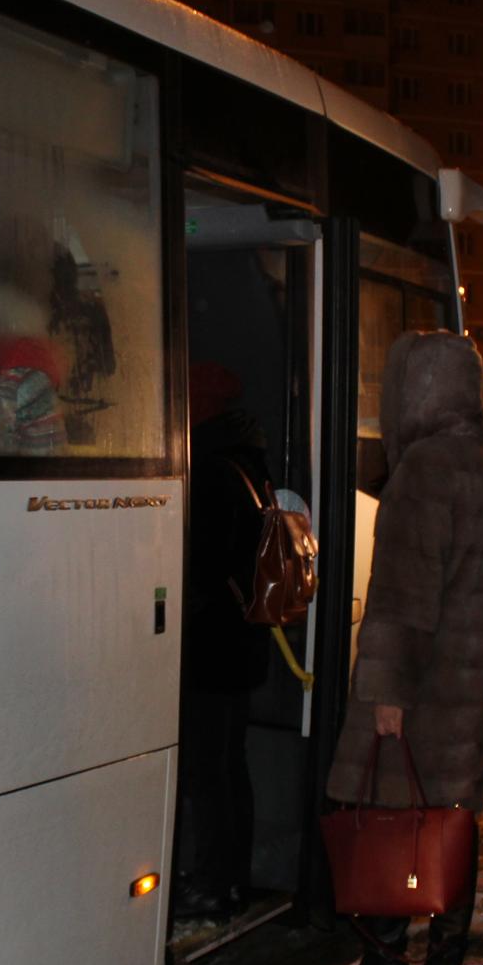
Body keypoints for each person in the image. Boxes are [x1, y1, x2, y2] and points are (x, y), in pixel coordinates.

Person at [322, 332, 483, 965]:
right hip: (465, 684)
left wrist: (387, 692)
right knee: (450, 819)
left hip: (422, 683)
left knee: (390, 813)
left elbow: (403, 596)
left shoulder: (425, 469)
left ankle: (384, 961)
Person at [173, 362, 273, 918]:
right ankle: (233, 877)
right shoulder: (248, 459)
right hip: (242, 646)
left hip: (213, 649)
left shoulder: (210, 469)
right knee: (230, 766)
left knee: (208, 772)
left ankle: (214, 882)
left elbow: (203, 569)